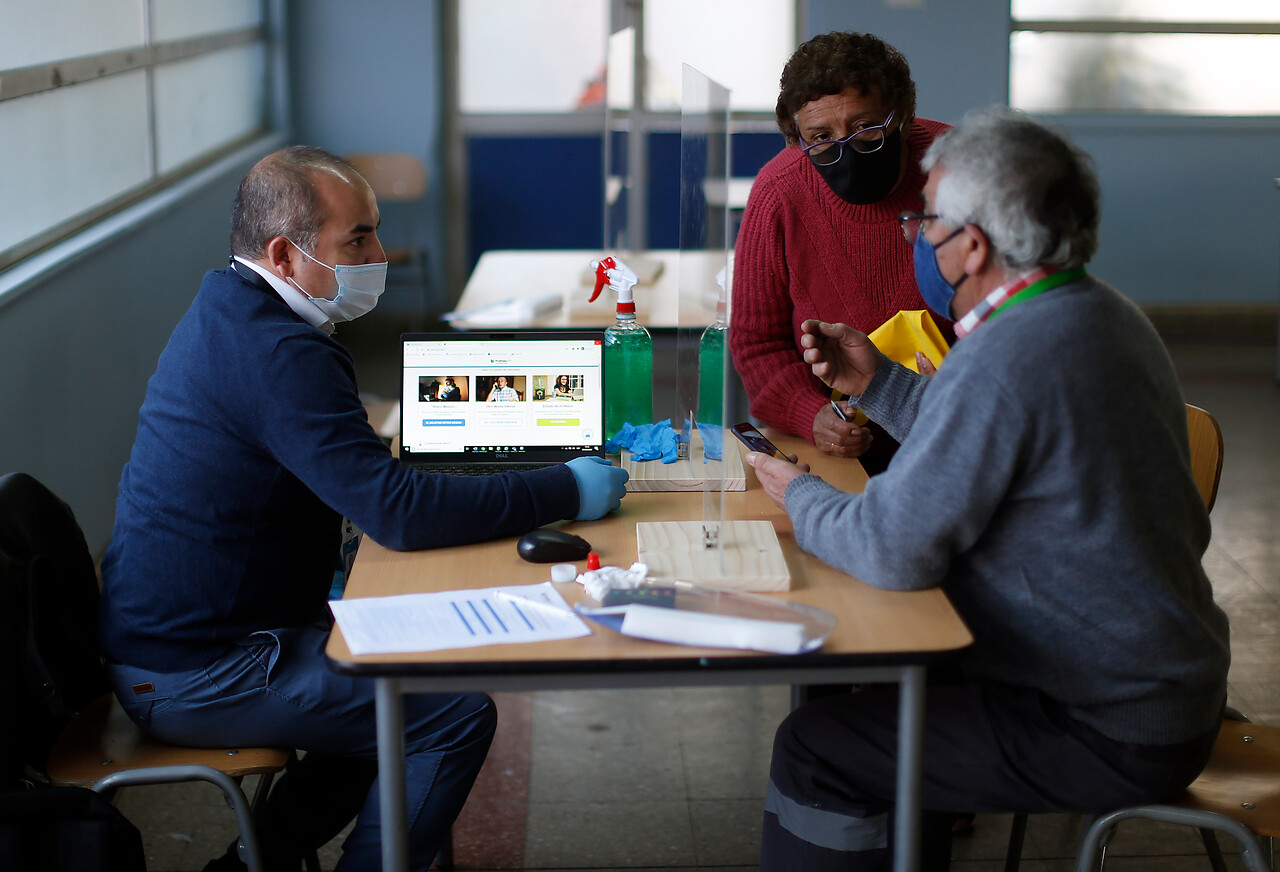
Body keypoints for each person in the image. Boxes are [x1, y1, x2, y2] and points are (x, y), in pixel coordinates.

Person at [96, 146, 629, 872]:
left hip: (199, 639)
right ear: (285, 254)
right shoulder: (275, 351)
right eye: (359, 240)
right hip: (198, 672)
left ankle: (259, 861)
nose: (380, 253)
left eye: (375, 231)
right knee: (452, 715)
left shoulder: (231, 304)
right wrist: (566, 488)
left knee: (391, 700)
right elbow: (398, 512)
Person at [744, 108, 1230, 871]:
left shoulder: (1004, 357)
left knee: (820, 746)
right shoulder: (1100, 314)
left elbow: (888, 548)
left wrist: (792, 491)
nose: (916, 236)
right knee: (888, 694)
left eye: (926, 218)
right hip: (1158, 689)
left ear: (970, 244)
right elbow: (995, 429)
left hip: (1101, 722)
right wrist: (878, 382)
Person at [730, 31, 953, 473]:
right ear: (797, 140)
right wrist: (811, 416)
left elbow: (1017, 321)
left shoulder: (958, 170)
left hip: (960, 438)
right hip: (839, 451)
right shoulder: (781, 191)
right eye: (821, 137)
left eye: (865, 128)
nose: (846, 149)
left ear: (902, 115)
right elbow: (757, 342)